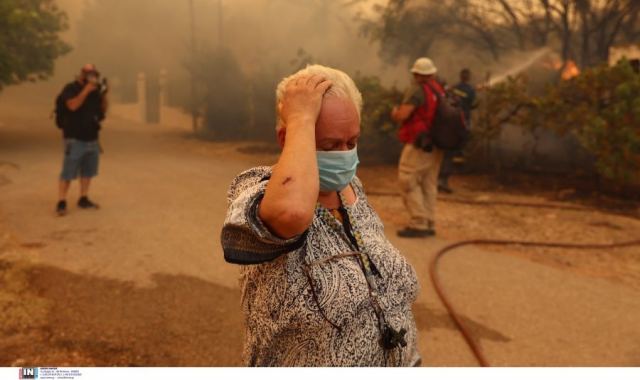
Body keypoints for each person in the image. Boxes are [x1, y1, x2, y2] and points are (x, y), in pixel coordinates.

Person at [220, 65, 421, 366]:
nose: (344, 154)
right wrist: (301, 116)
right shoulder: (257, 190)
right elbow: (290, 214)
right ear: (287, 138)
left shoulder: (352, 190)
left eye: (351, 142)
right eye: (329, 146)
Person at [391, 57, 445, 238]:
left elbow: (403, 115)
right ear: (432, 73)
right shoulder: (438, 90)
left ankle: (418, 222)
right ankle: (429, 221)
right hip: (437, 144)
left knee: (408, 178)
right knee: (429, 182)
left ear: (415, 74)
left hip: (420, 143)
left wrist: (395, 113)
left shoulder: (417, 90)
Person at [55, 63, 108, 216]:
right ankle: (61, 201)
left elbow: (102, 111)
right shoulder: (70, 88)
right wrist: (86, 90)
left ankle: (83, 198)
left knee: (88, 171)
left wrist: (103, 94)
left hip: (92, 137)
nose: (91, 76)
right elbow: (72, 106)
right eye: (88, 73)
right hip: (74, 137)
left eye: (94, 73)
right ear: (81, 74)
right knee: (68, 171)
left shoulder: (95, 92)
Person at [438, 68, 477, 194]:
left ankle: (440, 180)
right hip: (461, 124)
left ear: (460, 76)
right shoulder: (471, 90)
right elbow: (472, 103)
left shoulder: (453, 88)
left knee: (444, 152)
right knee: (453, 152)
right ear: (468, 77)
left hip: (448, 123)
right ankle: (443, 180)